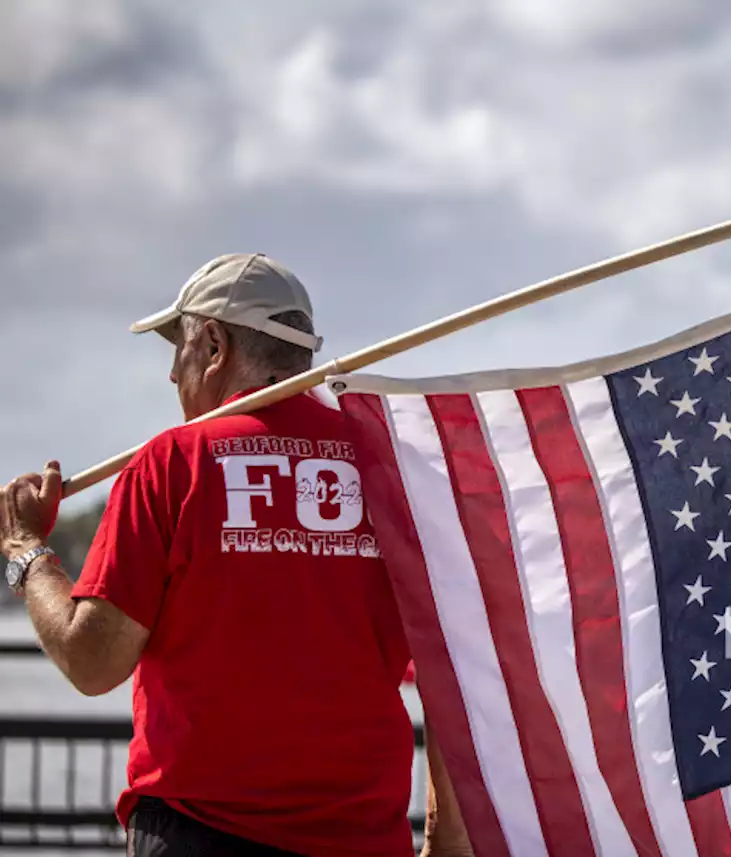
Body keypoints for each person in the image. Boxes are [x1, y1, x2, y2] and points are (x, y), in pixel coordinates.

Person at [0, 253, 469, 856]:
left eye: (180, 348)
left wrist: (25, 549)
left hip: (201, 830)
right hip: (363, 836)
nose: (173, 375)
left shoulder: (173, 464)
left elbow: (92, 661)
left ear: (215, 344)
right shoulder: (394, 468)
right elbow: (456, 666)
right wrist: (447, 834)